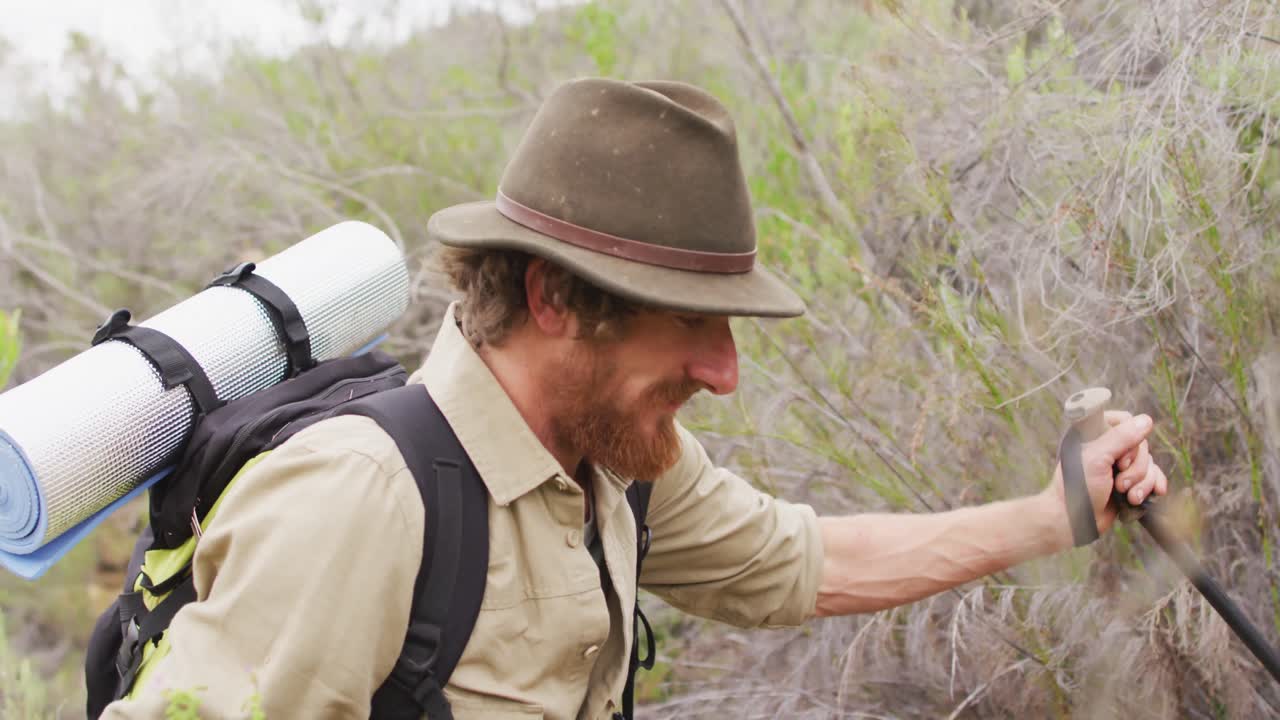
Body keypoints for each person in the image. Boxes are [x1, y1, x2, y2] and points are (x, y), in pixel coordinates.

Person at [103, 77, 1168, 719]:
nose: (724, 371)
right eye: (691, 324)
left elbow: (805, 562)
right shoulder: (358, 502)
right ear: (554, 299)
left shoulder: (615, 458)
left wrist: (1054, 513)